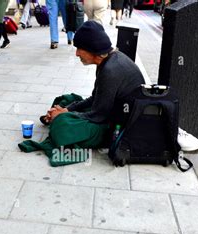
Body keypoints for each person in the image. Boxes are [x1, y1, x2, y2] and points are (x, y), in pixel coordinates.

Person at [19, 21, 145, 165]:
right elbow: (94, 99)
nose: (77, 53)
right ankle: (57, 118)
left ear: (94, 50)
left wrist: (63, 115)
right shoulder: (107, 61)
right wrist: (66, 109)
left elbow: (98, 115)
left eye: (80, 48)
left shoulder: (111, 70)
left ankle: (57, 122)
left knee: (63, 123)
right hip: (107, 112)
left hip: (114, 129)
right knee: (65, 100)